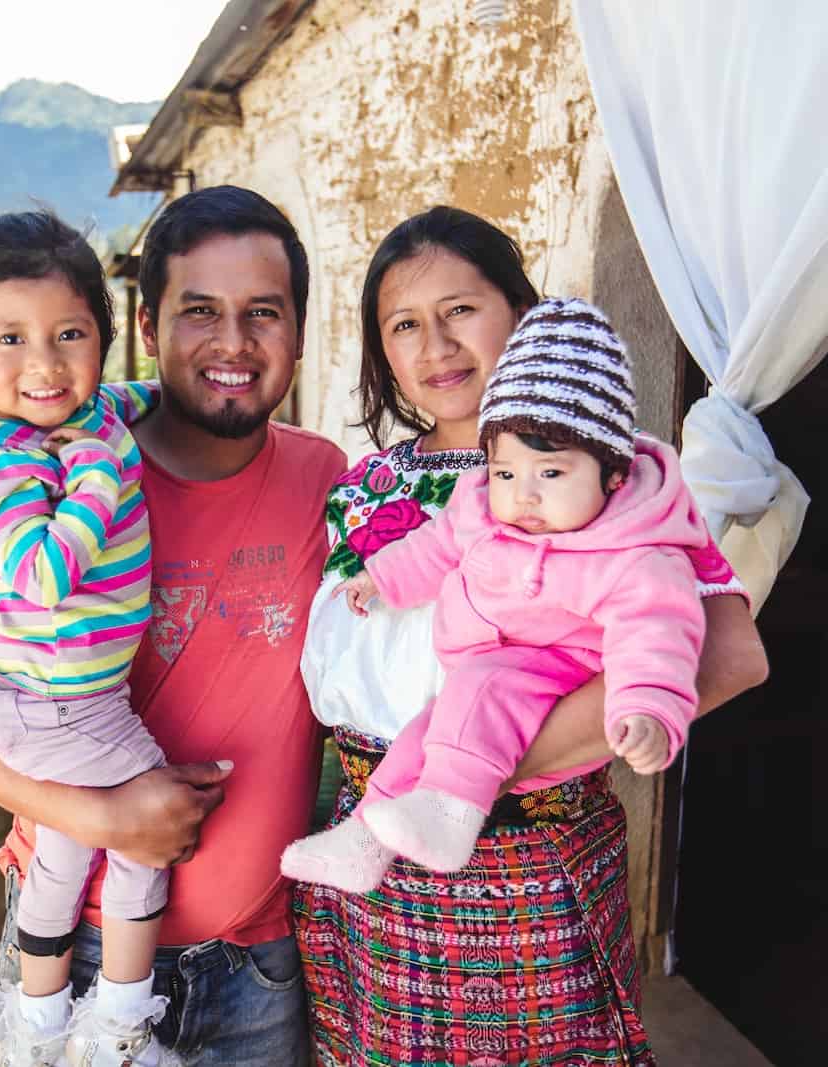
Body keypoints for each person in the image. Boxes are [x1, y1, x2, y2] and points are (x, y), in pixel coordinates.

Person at [292, 207, 767, 1066]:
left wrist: (473, 768)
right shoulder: (365, 486)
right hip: (370, 868)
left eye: (461, 309)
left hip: (526, 862)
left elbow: (730, 656)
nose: (435, 345)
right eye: (405, 324)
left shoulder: (608, 477)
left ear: (520, 311)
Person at [0, 186, 347, 1066]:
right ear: (148, 327)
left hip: (257, 964)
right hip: (70, 951)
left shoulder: (329, 482)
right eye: (200, 312)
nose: (233, 342)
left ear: (301, 330)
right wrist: (107, 815)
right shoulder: (46, 469)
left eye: (262, 312)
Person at [285, 295, 710, 893]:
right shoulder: (484, 503)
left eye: (552, 474)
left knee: (476, 698)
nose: (524, 496)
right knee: (417, 740)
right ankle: (362, 841)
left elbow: (659, 632)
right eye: (508, 473)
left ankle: (449, 812)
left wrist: (647, 708)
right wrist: (381, 578)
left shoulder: (634, 550)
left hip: (558, 677)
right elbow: (436, 547)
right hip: (480, 680)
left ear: (613, 476)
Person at [0, 210, 178, 1066]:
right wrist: (102, 474)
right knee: (151, 832)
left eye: (71, 333)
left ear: (104, 338)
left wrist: (171, 400)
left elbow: (139, 402)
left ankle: (35, 1027)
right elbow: (40, 574)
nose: (44, 363)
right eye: (9, 339)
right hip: (50, 705)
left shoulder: (96, 408)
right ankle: (120, 1030)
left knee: (63, 854)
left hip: (66, 699)